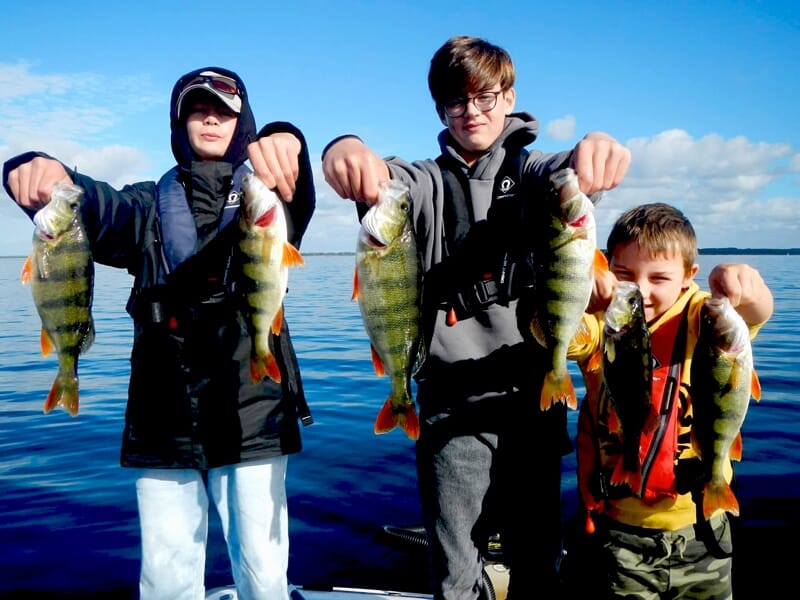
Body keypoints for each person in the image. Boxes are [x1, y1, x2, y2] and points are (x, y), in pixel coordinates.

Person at [322, 35, 631, 599]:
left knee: (539, 558)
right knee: (455, 567)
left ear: (509, 99)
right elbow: (382, 179)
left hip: (533, 403)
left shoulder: (539, 174)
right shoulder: (422, 181)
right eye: (457, 101)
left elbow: (567, 172)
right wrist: (346, 148)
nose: (472, 111)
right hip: (448, 409)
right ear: (440, 110)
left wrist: (598, 147)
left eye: (486, 97)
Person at [3, 67, 316, 600]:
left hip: (251, 409)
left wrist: (291, 140)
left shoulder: (270, 197)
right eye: (197, 108)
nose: (211, 117)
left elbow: (298, 184)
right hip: (161, 413)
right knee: (167, 577)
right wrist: (38, 168)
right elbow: (94, 208)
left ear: (245, 121)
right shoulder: (145, 205)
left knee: (264, 574)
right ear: (179, 122)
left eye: (223, 108)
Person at [564, 202, 774, 599]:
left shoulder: (703, 319)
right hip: (620, 534)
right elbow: (567, 336)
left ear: (687, 278)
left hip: (701, 527)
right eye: (624, 274)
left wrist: (745, 284)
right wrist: (578, 294)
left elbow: (757, 309)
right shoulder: (606, 321)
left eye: (659, 277)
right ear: (607, 267)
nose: (640, 290)